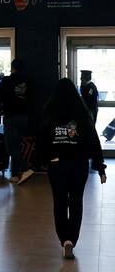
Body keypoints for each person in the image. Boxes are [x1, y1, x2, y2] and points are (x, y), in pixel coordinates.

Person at [37, 78, 106, 259]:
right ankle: (72, 239)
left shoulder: (49, 112)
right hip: (79, 164)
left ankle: (64, 240)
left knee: (59, 203)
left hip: (56, 163)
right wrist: (100, 166)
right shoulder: (82, 113)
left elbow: (41, 140)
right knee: (76, 202)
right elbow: (93, 140)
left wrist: (41, 161)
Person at [0, 58, 34, 184]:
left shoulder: (7, 80)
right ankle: (14, 174)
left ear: (12, 67)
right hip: (24, 117)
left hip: (11, 117)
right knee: (17, 146)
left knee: (10, 147)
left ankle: (25, 169)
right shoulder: (28, 81)